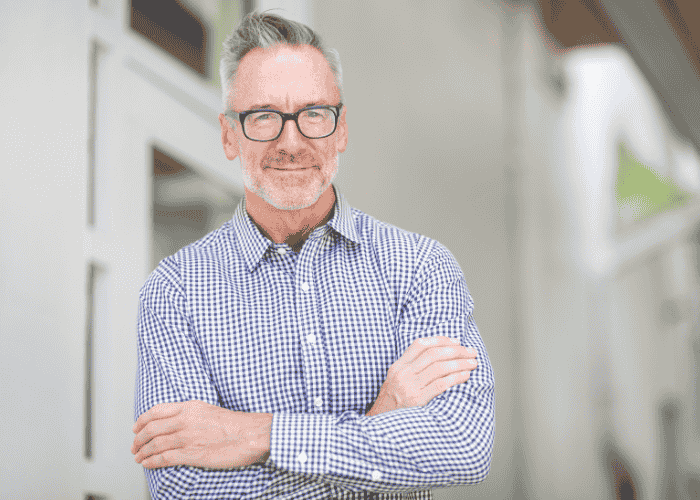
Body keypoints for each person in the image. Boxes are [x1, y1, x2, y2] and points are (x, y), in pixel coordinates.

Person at [131, 12, 494, 500]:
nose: (292, 141)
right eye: (263, 116)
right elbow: (186, 490)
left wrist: (255, 436)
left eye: (314, 114)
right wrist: (379, 422)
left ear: (341, 129)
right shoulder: (174, 292)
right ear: (228, 135)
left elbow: (461, 446)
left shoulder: (420, 268)